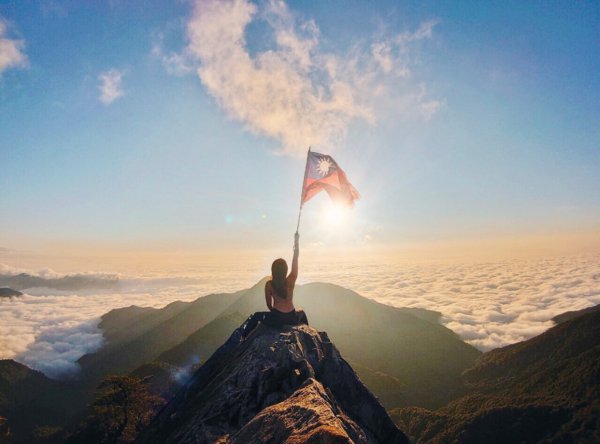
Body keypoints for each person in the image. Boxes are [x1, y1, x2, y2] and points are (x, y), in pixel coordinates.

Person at [241, 232, 308, 339]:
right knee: (302, 312)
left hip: (277, 318)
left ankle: (243, 338)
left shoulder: (269, 284)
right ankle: (306, 334)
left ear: (273, 270)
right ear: (285, 270)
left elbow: (269, 305)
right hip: (291, 317)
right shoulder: (291, 280)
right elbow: (296, 257)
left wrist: (275, 314)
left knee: (256, 316)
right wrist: (296, 241)